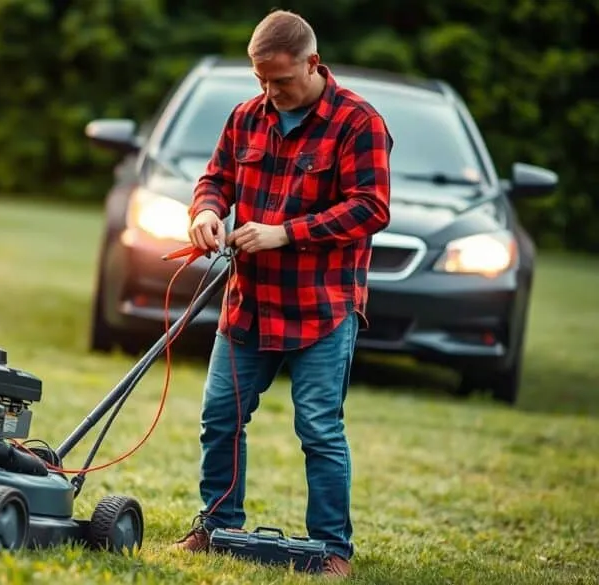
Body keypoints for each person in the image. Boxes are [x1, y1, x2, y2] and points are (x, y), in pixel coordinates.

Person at [169, 9, 393, 579]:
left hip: (323, 307)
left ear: (313, 64)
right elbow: (215, 179)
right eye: (261, 80)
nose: (270, 92)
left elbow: (371, 208)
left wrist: (286, 232)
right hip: (249, 303)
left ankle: (332, 549)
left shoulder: (358, 123)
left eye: (282, 80)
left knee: (318, 428)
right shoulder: (246, 117)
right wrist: (206, 212)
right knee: (220, 418)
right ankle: (217, 527)